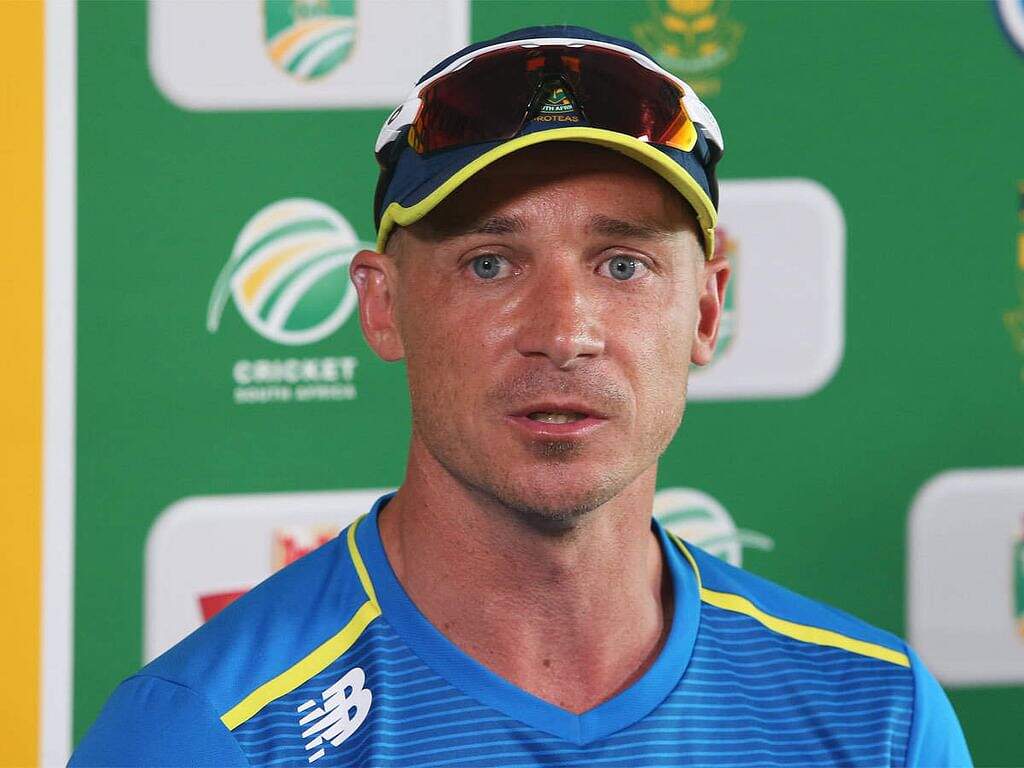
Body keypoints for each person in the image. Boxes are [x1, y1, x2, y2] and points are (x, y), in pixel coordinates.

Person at [71, 25, 971, 767]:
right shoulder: (207, 734)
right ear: (382, 307)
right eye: (490, 264)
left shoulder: (876, 717)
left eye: (624, 265)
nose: (565, 331)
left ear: (705, 312)